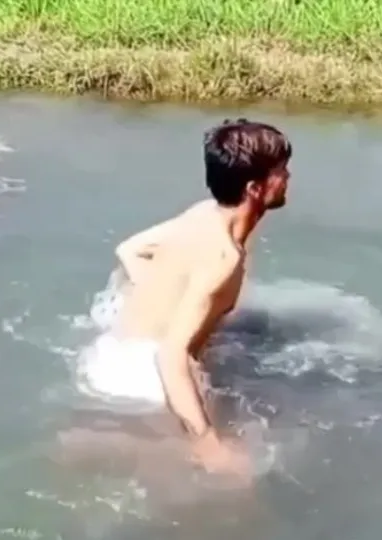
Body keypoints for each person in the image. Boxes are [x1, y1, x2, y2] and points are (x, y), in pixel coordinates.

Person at [78, 118, 292, 480]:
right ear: (255, 188)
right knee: (237, 476)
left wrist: (165, 300)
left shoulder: (203, 213)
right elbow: (170, 355)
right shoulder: (224, 258)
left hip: (113, 351)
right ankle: (84, 444)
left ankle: (86, 442)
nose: (288, 178)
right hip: (145, 380)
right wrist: (208, 442)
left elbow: (129, 250)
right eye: (281, 171)